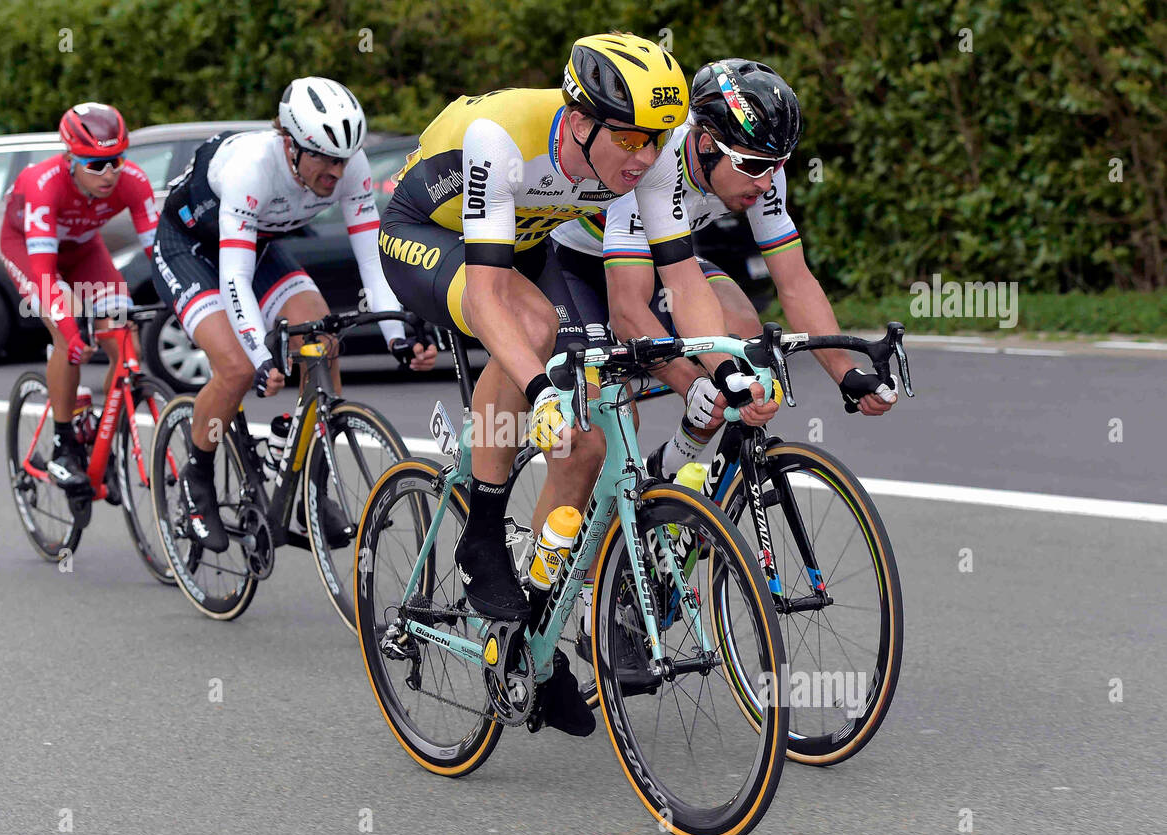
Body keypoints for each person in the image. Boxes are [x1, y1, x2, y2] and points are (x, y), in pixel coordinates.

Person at [379, 33, 774, 736]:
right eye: (628, 139)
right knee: (532, 340)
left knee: (586, 447)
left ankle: (532, 635)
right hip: (425, 234)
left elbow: (683, 282)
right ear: (581, 118)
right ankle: (482, 533)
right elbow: (491, 300)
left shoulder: (645, 163)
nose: (644, 158)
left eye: (656, 140)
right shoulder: (502, 139)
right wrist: (540, 389)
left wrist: (726, 365)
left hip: (526, 243)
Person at [551, 58, 897, 481]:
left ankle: (668, 479)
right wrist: (690, 382)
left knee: (741, 342)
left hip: (668, 257)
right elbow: (627, 311)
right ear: (707, 143)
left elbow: (795, 283)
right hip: (577, 263)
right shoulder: (651, 164)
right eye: (753, 166)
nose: (767, 182)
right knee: (609, 418)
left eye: (779, 164)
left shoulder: (762, 170)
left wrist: (847, 373)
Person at [152, 77, 437, 554]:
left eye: (344, 158)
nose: (336, 171)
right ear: (289, 144)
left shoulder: (351, 168)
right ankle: (195, 477)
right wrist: (257, 352)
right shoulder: (252, 168)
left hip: (258, 248)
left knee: (323, 343)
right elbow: (233, 279)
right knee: (237, 368)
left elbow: (372, 259)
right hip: (189, 249)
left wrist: (397, 335)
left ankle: (308, 482)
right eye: (324, 157)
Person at [1, 102, 158, 489]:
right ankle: (63, 442)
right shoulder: (43, 183)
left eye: (116, 161)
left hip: (86, 252)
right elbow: (43, 272)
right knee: (65, 331)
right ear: (70, 157)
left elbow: (160, 255)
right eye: (94, 164)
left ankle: (107, 430)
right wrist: (70, 332)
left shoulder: (133, 181)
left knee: (124, 341)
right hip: (30, 251)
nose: (108, 174)